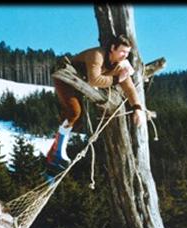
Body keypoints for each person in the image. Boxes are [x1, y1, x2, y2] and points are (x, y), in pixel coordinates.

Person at [47, 34, 145, 170]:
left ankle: (54, 153)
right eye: (122, 51)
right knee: (74, 112)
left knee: (78, 120)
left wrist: (137, 108)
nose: (125, 56)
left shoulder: (119, 65)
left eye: (127, 53)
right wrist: (117, 80)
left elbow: (129, 87)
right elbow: (95, 80)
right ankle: (57, 153)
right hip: (67, 79)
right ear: (112, 48)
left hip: (81, 85)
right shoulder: (97, 55)